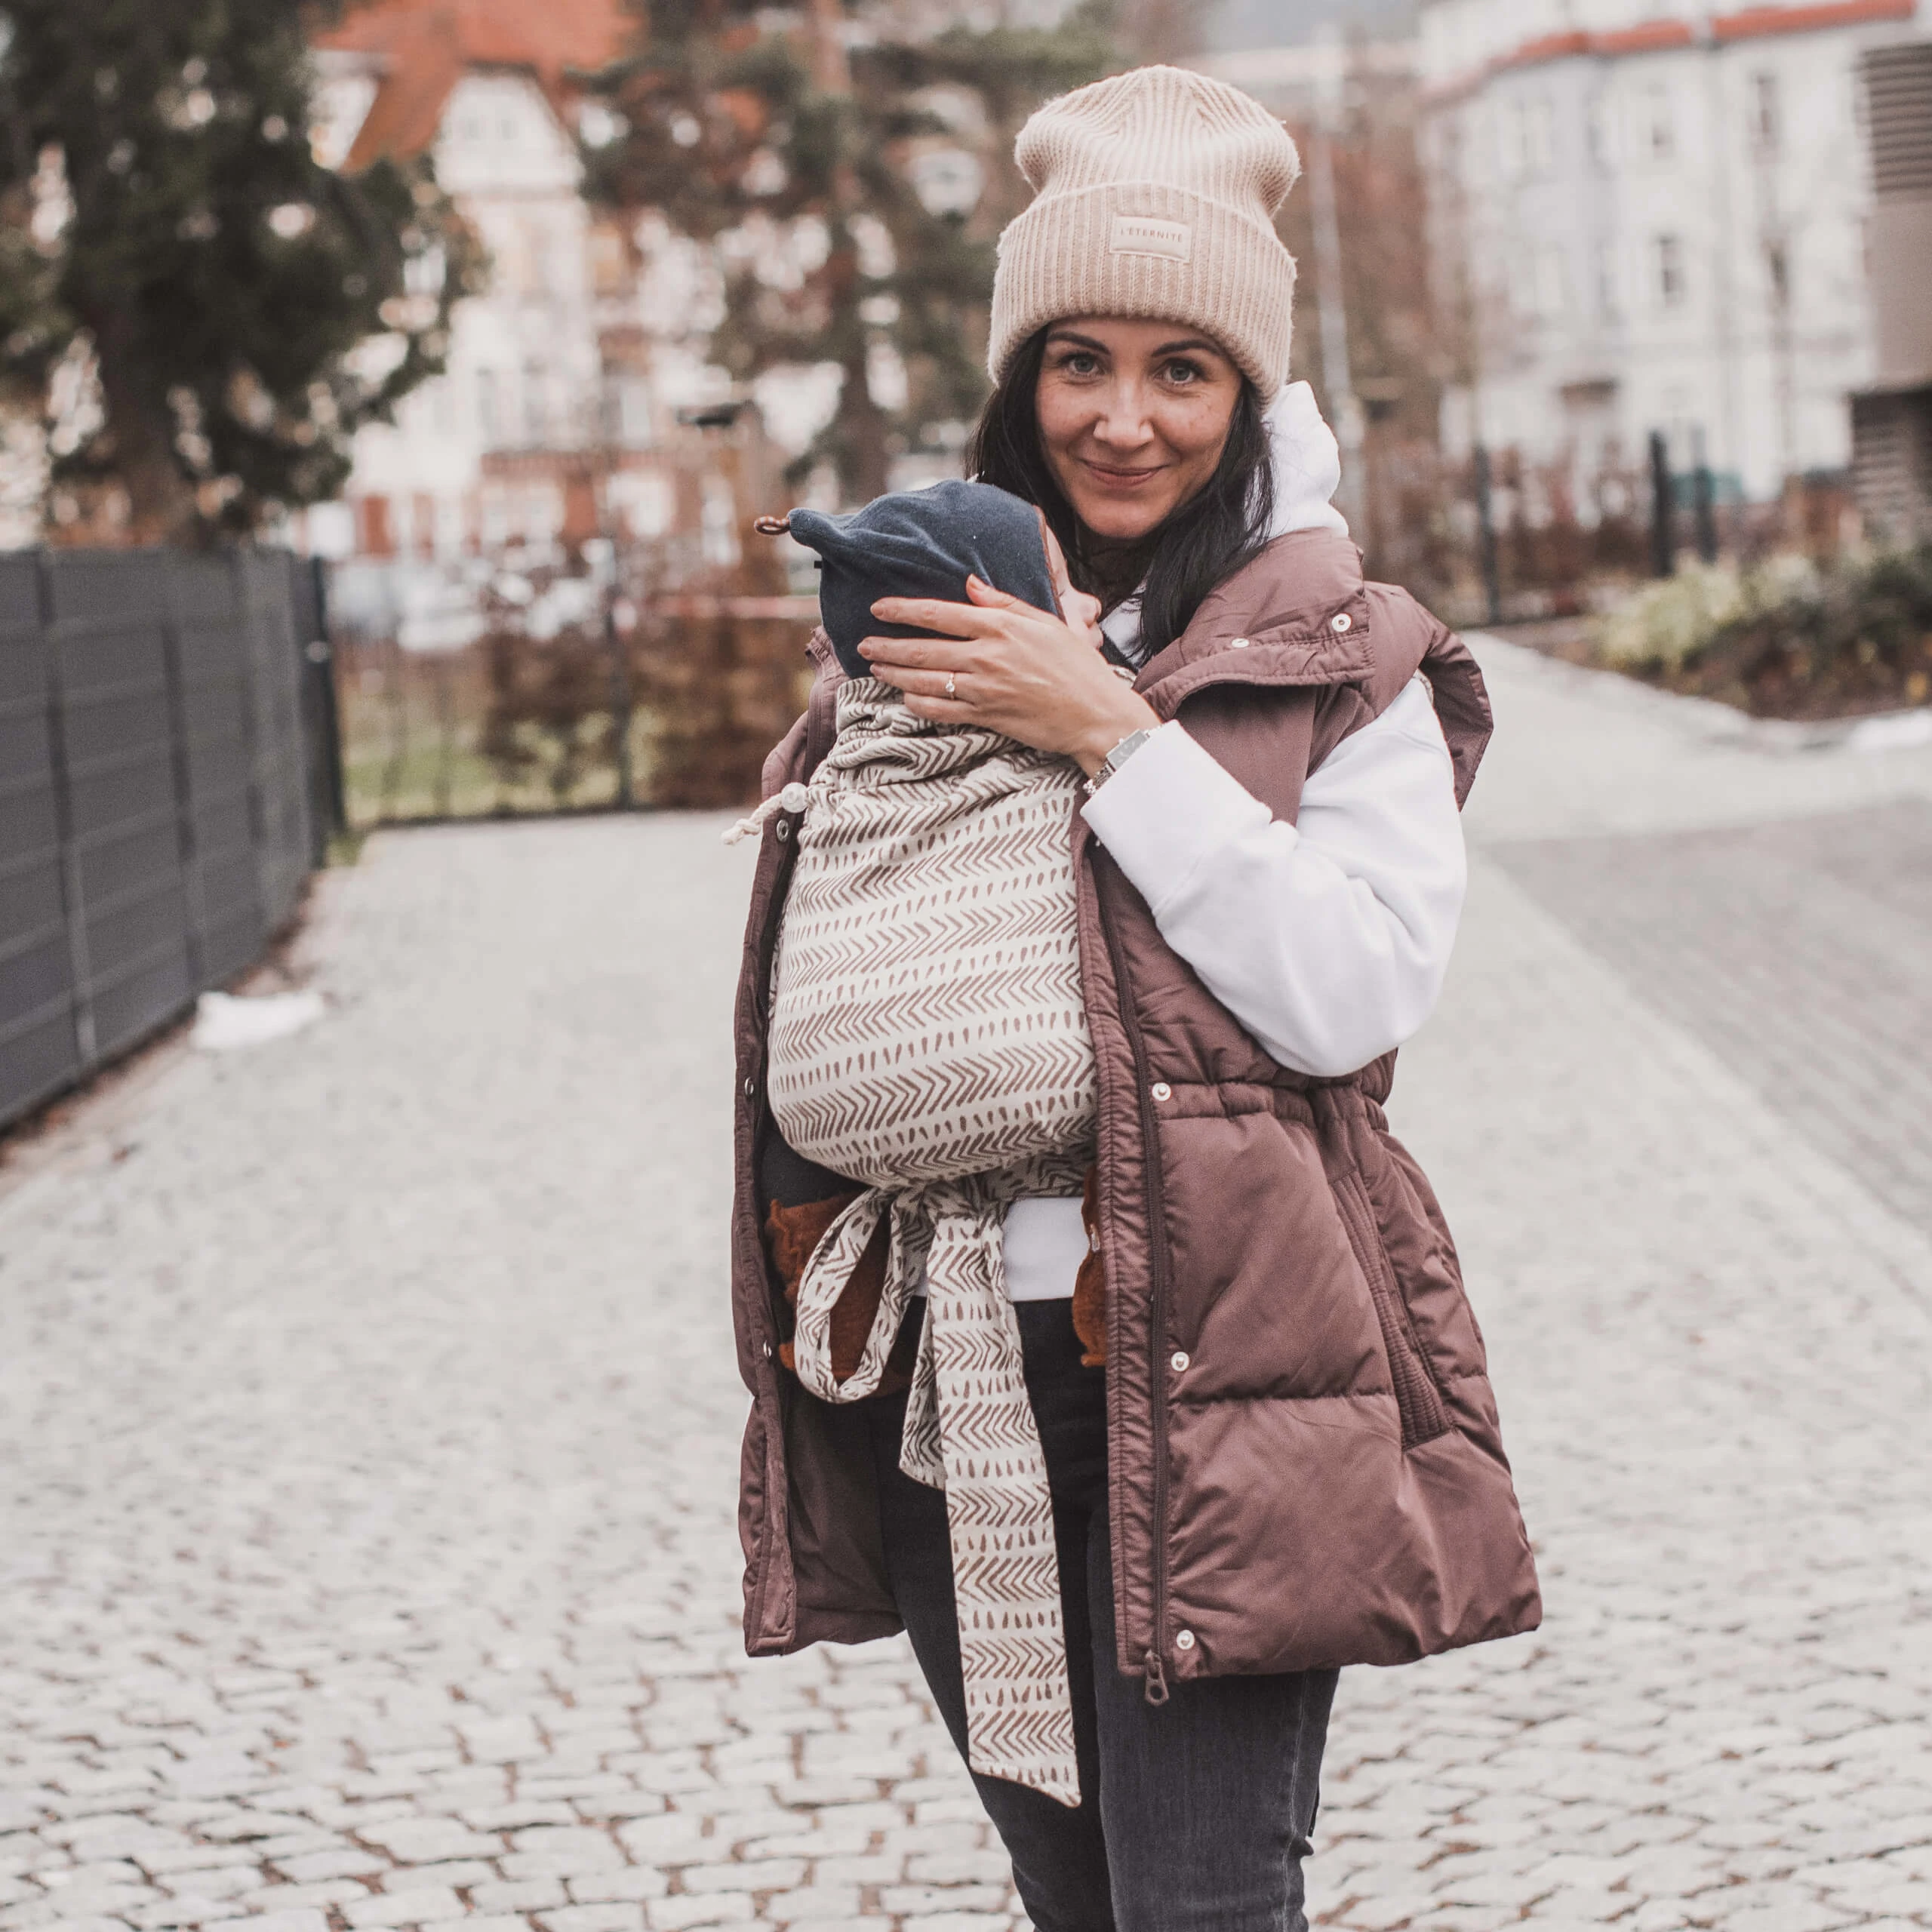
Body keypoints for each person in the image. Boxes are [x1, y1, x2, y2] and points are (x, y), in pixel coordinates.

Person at [728, 66, 1541, 1932]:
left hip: (1212, 1354)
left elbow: (1345, 990)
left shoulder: (1349, 658)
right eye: (1075, 359)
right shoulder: (927, 624)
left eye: (1182, 368)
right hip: (949, 1371)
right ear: (1019, 379)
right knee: (1077, 1898)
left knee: (1199, 1904)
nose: (1121, 415)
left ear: (1247, 394)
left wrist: (1111, 736)